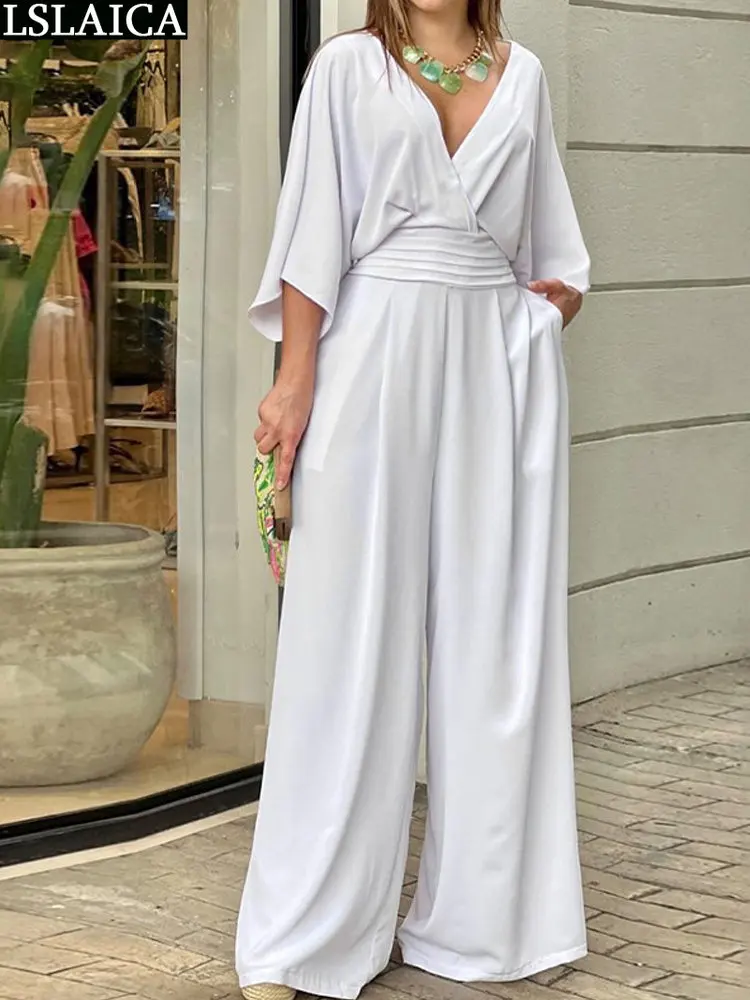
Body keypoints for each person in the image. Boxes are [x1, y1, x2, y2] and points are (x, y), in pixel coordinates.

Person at [236, 1, 590, 998]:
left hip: (496, 364)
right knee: (346, 637)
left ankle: (483, 924)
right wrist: (294, 381)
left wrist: (542, 315)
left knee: (497, 638)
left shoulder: (523, 74)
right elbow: (313, 236)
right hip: (371, 353)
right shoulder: (347, 68)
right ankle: (304, 936)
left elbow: (554, 247)